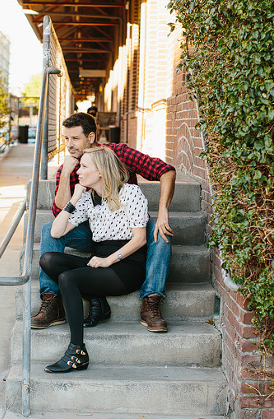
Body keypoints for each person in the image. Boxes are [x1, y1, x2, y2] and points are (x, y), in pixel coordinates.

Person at [31, 112, 176, 332]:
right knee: (49, 229)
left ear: (90, 137)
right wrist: (65, 173)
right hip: (93, 232)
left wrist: (163, 210)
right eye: (66, 139)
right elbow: (59, 212)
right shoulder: (72, 167)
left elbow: (165, 171)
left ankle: (151, 300)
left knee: (160, 230)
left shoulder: (118, 154)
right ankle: (51, 300)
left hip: (129, 227)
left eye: (75, 139)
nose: (69, 145)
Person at [38, 147, 148, 373]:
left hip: (126, 267)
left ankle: (77, 352)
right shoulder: (88, 199)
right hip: (99, 261)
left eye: (84, 166)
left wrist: (109, 260)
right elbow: (56, 233)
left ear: (101, 172)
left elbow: (140, 239)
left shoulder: (130, 193)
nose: (79, 171)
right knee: (49, 260)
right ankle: (98, 301)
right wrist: (75, 198)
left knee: (68, 279)